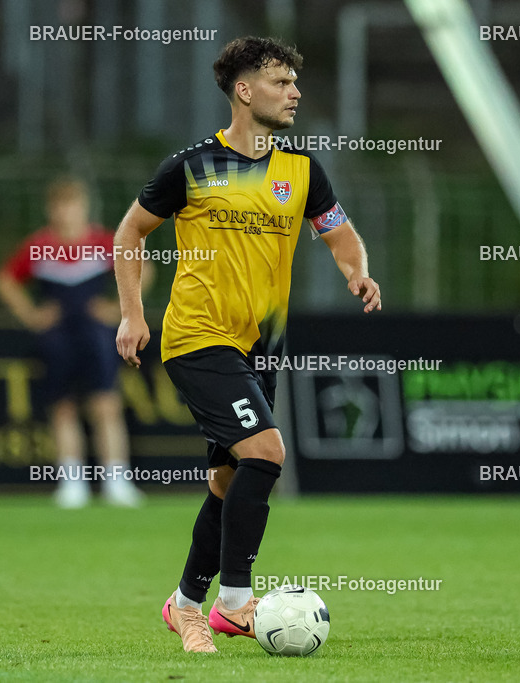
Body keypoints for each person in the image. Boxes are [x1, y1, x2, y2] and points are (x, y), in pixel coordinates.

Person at [114, 36, 382, 653]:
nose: (294, 93)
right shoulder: (191, 167)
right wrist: (132, 316)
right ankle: (233, 603)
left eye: (294, 82)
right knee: (266, 452)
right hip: (196, 338)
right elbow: (130, 232)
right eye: (280, 82)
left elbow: (339, 233)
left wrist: (355, 271)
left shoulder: (302, 170)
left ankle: (185, 605)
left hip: (260, 349)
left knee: (229, 482)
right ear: (244, 90)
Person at [0, 177, 146, 508]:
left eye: (72, 205)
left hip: (96, 336)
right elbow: (5, 280)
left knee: (105, 405)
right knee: (62, 408)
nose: (66, 213)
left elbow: (142, 269)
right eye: (60, 206)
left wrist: (121, 308)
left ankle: (117, 482)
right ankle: (72, 483)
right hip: (57, 338)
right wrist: (32, 315)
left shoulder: (105, 241)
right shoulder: (39, 245)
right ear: (51, 210)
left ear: (84, 207)